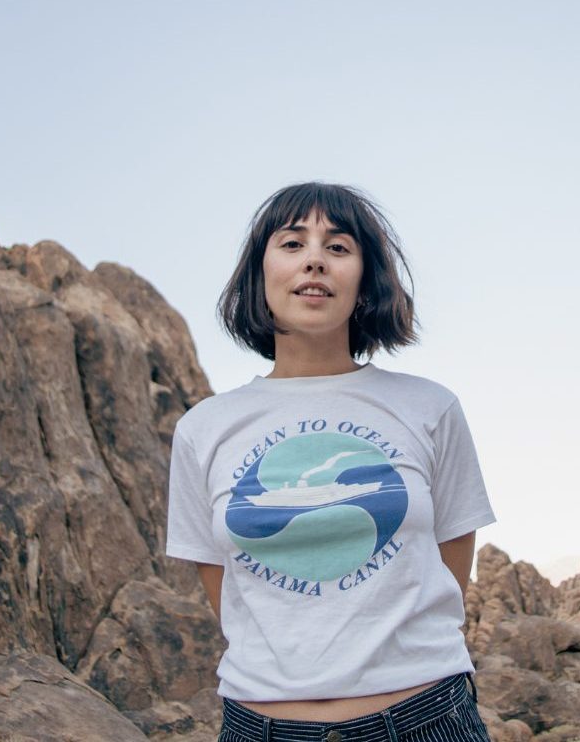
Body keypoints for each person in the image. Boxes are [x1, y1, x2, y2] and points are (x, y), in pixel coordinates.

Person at [166, 182, 495, 742]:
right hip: (259, 728)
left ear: (365, 280)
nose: (315, 259)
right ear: (259, 273)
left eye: (338, 247)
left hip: (425, 719)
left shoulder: (430, 407)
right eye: (292, 244)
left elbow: (450, 560)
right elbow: (223, 583)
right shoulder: (203, 428)